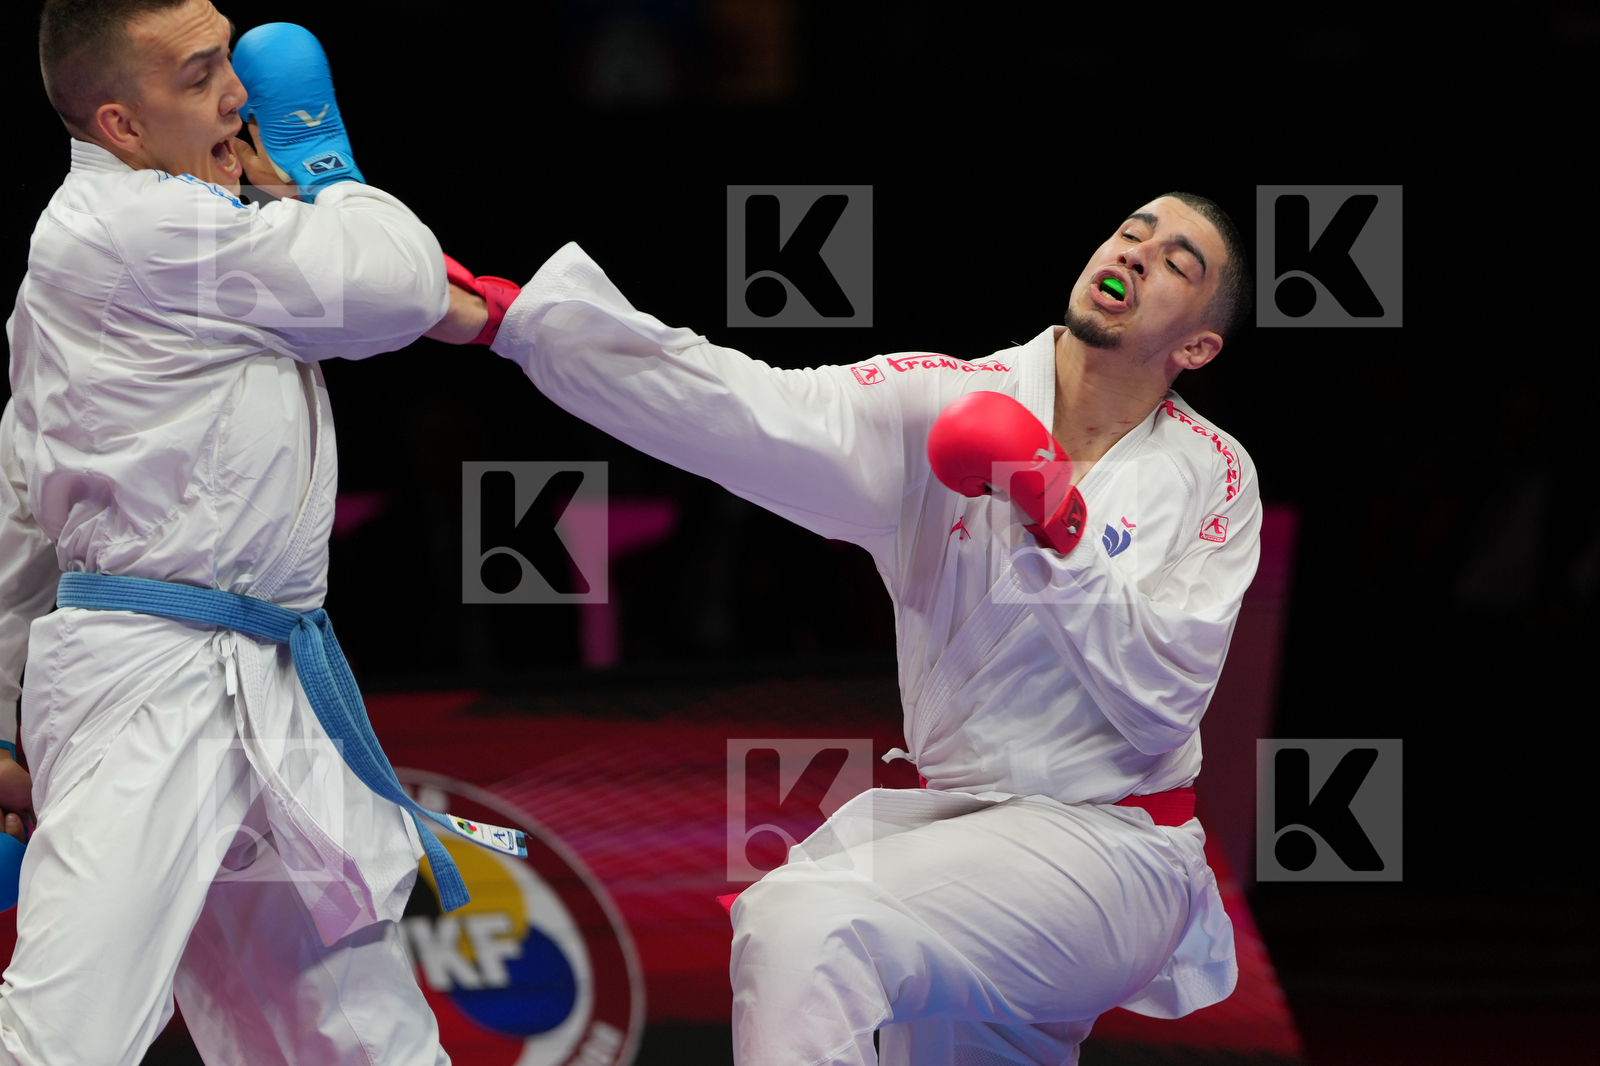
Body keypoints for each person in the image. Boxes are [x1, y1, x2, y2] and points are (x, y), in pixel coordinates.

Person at [485, 192, 1258, 1066]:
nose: (1140, 251)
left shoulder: (1215, 475)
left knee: (806, 921)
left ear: (1196, 345)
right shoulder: (942, 401)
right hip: (959, 837)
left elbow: (1164, 702)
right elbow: (743, 405)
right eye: (1131, 231)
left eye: (1178, 261)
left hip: (1116, 851)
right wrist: (522, 324)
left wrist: (1059, 524)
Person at [0, 1, 497, 1062]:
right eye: (199, 77)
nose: (238, 95)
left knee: (355, 1033)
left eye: (227, 59)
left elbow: (22, 499)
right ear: (121, 124)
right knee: (66, 1038)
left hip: (260, 673)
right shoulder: (133, 229)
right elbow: (399, 286)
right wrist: (322, 162)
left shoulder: (143, 241)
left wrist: (3, 716)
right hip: (150, 686)